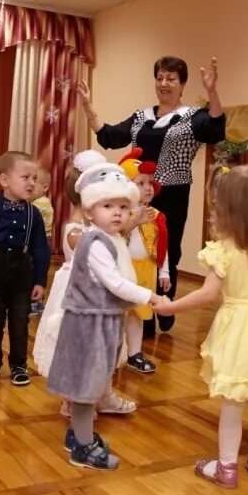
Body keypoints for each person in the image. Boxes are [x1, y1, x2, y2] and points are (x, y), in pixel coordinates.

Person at [156, 165, 248, 487]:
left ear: (227, 209)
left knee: (233, 403)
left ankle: (226, 467)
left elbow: (208, 294)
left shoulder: (224, 250)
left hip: (236, 331)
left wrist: (170, 305)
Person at [79, 56, 225, 336]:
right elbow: (109, 136)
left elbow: (216, 129)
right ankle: (143, 312)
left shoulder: (193, 117)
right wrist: (88, 107)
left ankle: (164, 303)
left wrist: (212, 92)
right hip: (137, 193)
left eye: (171, 78)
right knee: (136, 248)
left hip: (173, 192)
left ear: (182, 84)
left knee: (168, 249)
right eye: (160, 77)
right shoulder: (140, 117)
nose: (164, 83)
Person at [46, 153, 168, 470]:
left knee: (96, 381)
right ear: (89, 210)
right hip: (88, 325)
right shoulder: (96, 242)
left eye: (123, 207)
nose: (118, 213)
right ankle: (83, 448)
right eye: (108, 206)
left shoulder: (111, 237)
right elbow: (114, 283)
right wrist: (150, 297)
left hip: (103, 321)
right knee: (86, 390)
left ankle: (77, 436)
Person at [33, 151, 138, 418]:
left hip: (104, 298)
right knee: (80, 350)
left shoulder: (103, 231)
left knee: (104, 349)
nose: (116, 210)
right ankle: (74, 400)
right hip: (80, 299)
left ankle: (102, 395)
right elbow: (92, 249)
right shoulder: (77, 231)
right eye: (108, 202)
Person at [0, 151, 51, 386]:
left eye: (34, 178)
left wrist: (39, 280)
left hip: (22, 273)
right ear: (5, 180)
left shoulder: (34, 214)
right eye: (26, 177)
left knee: (19, 321)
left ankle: (18, 364)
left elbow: (41, 250)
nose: (32, 183)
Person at [118, 148, 170, 375]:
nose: (148, 188)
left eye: (150, 183)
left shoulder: (157, 215)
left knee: (138, 315)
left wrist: (164, 272)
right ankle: (115, 353)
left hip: (146, 271)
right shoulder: (120, 213)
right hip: (124, 271)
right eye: (141, 183)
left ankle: (134, 353)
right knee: (119, 315)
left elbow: (162, 246)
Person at [29, 167, 54, 316]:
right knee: (37, 273)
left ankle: (34, 303)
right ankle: (37, 302)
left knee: (33, 273)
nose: (30, 185)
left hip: (38, 245)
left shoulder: (40, 203)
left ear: (45, 187)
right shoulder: (41, 202)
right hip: (40, 243)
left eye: (34, 181)